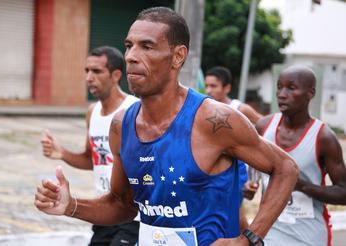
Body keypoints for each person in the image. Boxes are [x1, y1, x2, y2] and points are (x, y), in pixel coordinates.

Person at [35, 7, 299, 246]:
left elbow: (285, 168)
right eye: (129, 46)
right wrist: (71, 205)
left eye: (147, 47)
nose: (131, 57)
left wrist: (250, 239)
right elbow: (122, 205)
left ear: (177, 56)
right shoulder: (121, 125)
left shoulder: (214, 120)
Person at [40, 46, 139, 246]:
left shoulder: (134, 110)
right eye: (87, 71)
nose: (89, 77)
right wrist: (62, 153)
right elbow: (91, 159)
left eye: (96, 71)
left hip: (133, 216)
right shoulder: (92, 112)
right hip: (104, 210)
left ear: (116, 75)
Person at [253, 65, 346, 246]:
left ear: (310, 93)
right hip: (269, 231)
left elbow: (344, 192)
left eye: (291, 88)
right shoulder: (264, 127)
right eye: (279, 87)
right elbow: (250, 168)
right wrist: (250, 184)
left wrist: (301, 186)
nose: (282, 93)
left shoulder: (323, 137)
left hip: (308, 236)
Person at [204, 66, 263, 230]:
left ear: (227, 88)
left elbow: (267, 126)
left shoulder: (240, 109)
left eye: (213, 86)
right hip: (211, 172)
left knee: (231, 214)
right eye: (206, 85)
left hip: (236, 172)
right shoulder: (204, 108)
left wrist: (254, 174)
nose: (208, 90)